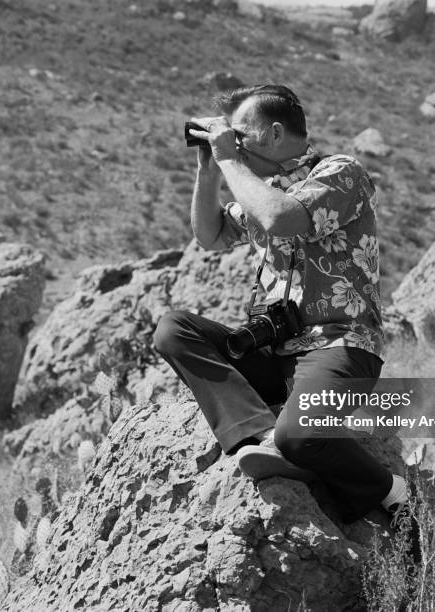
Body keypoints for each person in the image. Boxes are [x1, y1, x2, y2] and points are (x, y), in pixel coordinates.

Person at [153, 85, 413, 532]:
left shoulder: (340, 173)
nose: (231, 143)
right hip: (278, 351)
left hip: (340, 347)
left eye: (240, 134)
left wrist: (231, 161)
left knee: (302, 435)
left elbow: (282, 217)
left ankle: (391, 491)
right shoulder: (260, 187)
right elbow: (210, 235)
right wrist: (209, 170)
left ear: (274, 133)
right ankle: (259, 433)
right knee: (174, 329)